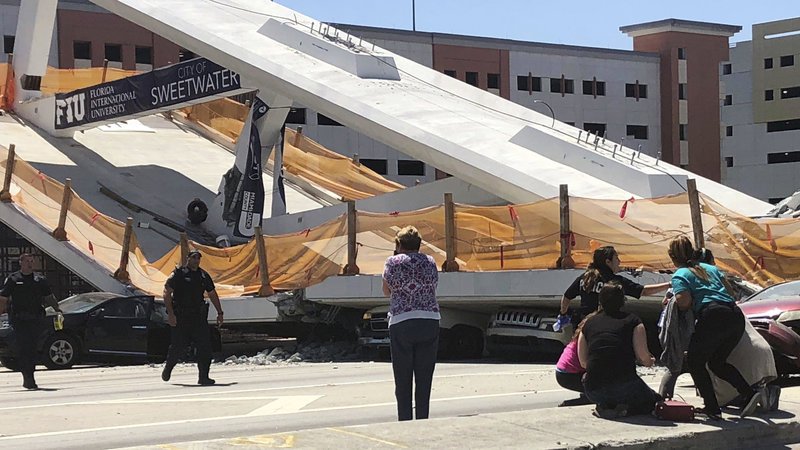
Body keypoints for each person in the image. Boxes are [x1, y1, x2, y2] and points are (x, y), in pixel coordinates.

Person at [668, 236, 763, 420]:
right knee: (716, 362)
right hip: (735, 316)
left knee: (695, 362)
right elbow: (731, 293)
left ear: (672, 257)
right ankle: (748, 393)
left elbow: (684, 303)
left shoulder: (680, 274)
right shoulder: (711, 268)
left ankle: (712, 408)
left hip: (712, 317)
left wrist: (673, 300)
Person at [578, 282, 661, 418]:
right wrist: (650, 361)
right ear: (623, 301)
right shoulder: (633, 320)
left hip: (593, 389)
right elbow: (643, 357)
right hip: (624, 384)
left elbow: (583, 362)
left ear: (600, 301)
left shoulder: (588, 323)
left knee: (608, 390)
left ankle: (606, 406)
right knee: (652, 401)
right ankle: (624, 411)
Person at [382, 225, 440, 421]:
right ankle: (423, 418)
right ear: (419, 244)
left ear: (399, 244)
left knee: (403, 377)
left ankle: (405, 420)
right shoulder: (430, 261)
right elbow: (433, 286)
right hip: (429, 320)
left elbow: (386, 290)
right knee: (424, 378)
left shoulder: (392, 262)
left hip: (402, 321)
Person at [558, 246, 670, 325]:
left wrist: (563, 315)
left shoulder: (585, 277)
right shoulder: (614, 281)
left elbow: (567, 296)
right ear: (608, 262)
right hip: (603, 325)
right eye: (616, 258)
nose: (619, 262)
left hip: (583, 324)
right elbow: (643, 291)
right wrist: (669, 284)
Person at [0, 253, 62, 390]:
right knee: (23, 348)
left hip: (36, 319)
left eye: (31, 261)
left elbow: (49, 297)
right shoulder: (13, 279)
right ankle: (27, 377)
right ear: (21, 262)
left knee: (33, 349)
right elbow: (3, 298)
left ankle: (31, 374)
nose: (30, 263)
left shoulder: (40, 279)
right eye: (27, 261)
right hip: (19, 320)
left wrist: (58, 310)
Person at [161, 250, 224, 385]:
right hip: (181, 317)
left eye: (198, 258)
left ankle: (204, 377)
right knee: (178, 346)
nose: (196, 260)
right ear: (188, 259)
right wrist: (171, 314)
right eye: (193, 258)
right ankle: (168, 367)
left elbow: (212, 293)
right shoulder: (179, 274)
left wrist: (220, 312)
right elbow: (166, 292)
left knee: (205, 347)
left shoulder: (203, 275)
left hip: (198, 318)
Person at [555, 315, 592, 407]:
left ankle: (586, 393)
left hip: (564, 371)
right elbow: (585, 363)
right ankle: (573, 402)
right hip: (568, 375)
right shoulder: (585, 337)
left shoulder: (579, 335)